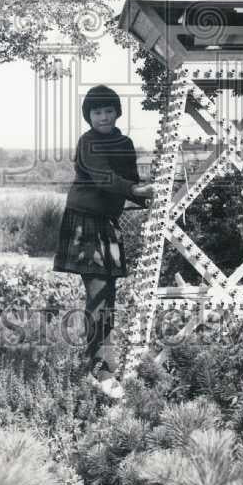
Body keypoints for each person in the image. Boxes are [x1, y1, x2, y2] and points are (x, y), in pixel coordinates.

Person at [53, 84, 155, 400]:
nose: (103, 117)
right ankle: (101, 370)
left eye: (108, 111)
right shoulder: (88, 142)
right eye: (97, 112)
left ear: (117, 112)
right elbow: (104, 178)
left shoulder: (124, 142)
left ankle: (95, 367)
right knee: (98, 295)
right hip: (85, 221)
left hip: (107, 224)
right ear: (89, 116)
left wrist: (149, 194)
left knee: (108, 297)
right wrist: (134, 191)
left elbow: (130, 181)